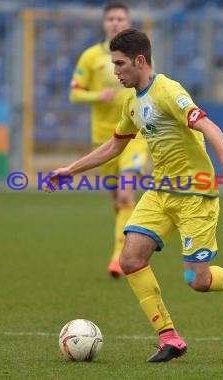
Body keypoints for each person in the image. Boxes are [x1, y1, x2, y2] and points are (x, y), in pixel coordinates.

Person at [46, 28, 223, 362]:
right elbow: (116, 144)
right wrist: (72, 169)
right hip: (160, 193)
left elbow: (211, 128)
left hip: (196, 196)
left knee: (197, 280)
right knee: (130, 259)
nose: (115, 72)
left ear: (140, 60)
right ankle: (170, 338)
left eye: (119, 64)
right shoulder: (132, 101)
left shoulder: (168, 91)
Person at [69, 2, 148, 279]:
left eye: (120, 18)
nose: (115, 22)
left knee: (127, 192)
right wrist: (95, 96)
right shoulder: (90, 57)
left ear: (128, 21)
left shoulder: (138, 57)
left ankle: (119, 257)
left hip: (135, 135)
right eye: (111, 18)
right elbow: (74, 93)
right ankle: (129, 243)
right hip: (104, 139)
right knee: (117, 200)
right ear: (104, 23)